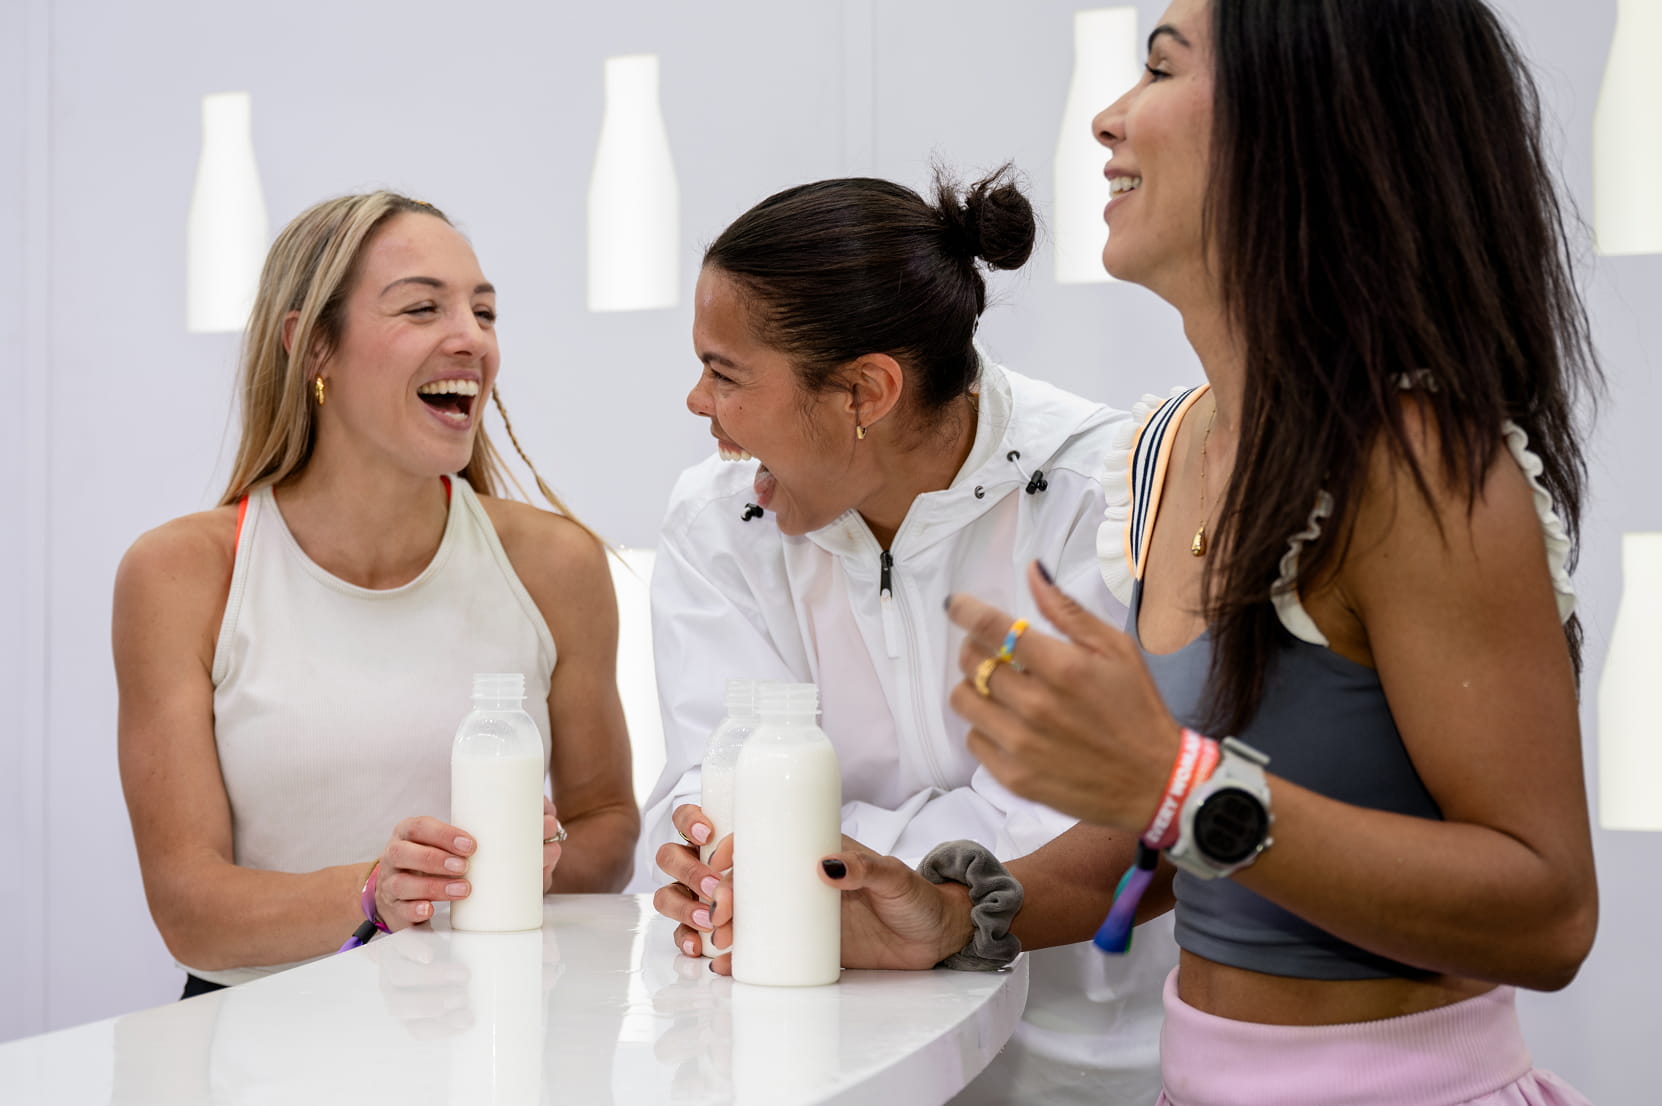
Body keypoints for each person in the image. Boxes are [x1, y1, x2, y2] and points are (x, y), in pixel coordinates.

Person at [690, 1, 1601, 1103]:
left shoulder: (1413, 464)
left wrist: (1178, 782)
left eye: (1162, 71)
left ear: (1303, 124)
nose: (1108, 121)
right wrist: (955, 912)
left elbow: (1548, 914)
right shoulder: (1171, 445)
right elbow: (1156, 836)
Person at [639, 169, 1176, 1103]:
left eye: (725, 373)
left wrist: (808, 834)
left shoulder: (1102, 503)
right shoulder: (715, 520)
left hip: (1092, 1068)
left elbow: (1078, 831)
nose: (696, 403)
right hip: (813, 1057)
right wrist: (732, 847)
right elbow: (706, 793)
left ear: (865, 391)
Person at [114, 191, 639, 997]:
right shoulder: (178, 575)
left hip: (489, 1029)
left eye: (484, 311)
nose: (471, 338)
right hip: (251, 1048)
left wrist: (535, 859)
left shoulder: (555, 565)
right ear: (312, 347)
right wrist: (377, 892)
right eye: (422, 308)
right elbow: (189, 907)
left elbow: (606, 823)